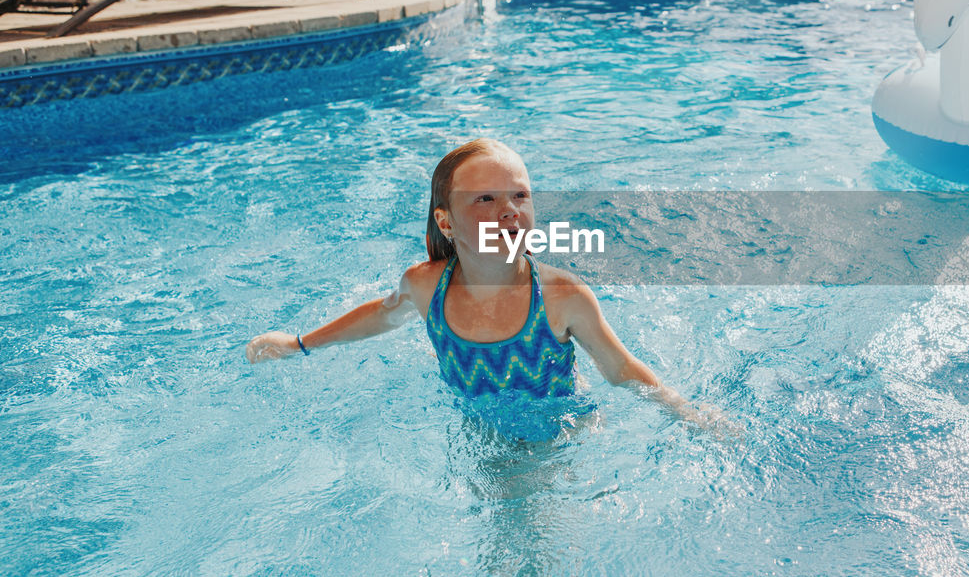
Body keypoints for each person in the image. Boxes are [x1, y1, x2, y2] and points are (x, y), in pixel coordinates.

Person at [246, 138, 720, 429]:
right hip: (480, 429)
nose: (510, 209)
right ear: (446, 222)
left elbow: (619, 368)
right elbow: (381, 314)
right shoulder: (426, 285)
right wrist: (298, 343)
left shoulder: (561, 297)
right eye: (486, 198)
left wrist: (687, 413)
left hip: (562, 430)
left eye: (520, 195)